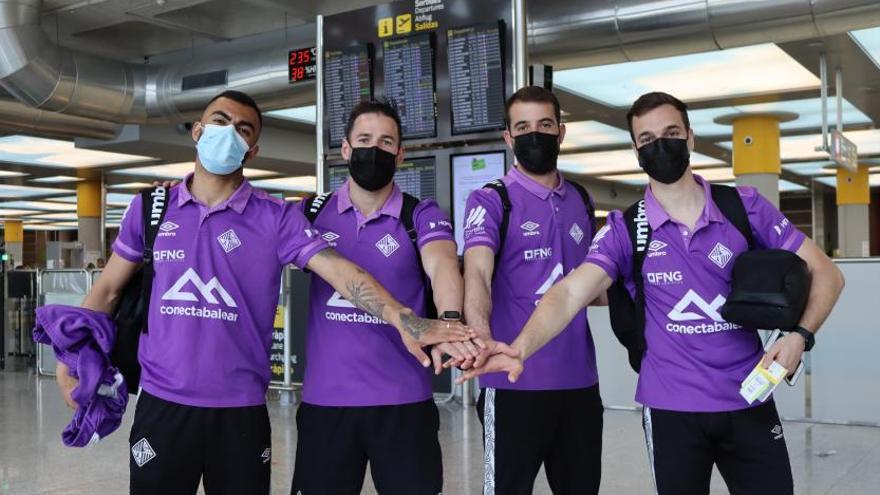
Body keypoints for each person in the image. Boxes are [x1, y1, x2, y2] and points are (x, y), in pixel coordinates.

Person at [53, 90, 473, 495]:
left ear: (251, 151)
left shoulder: (277, 218)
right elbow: (107, 289)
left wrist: (406, 319)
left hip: (241, 410)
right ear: (198, 131)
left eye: (244, 129)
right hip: (163, 403)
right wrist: (71, 355)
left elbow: (341, 272)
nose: (230, 133)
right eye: (221, 122)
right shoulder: (150, 209)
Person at [461, 92, 846, 495]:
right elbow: (570, 292)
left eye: (671, 133)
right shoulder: (624, 230)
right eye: (647, 139)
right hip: (670, 410)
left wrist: (800, 337)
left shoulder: (743, 206)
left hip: (749, 400)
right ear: (636, 150)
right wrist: (519, 347)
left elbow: (827, 274)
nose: (660, 146)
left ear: (691, 138)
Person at [291, 100, 480, 495]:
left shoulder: (420, 214)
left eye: (385, 141)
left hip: (402, 403)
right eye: (364, 140)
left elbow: (443, 263)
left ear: (400, 153)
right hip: (327, 404)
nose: (373, 150)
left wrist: (447, 321)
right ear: (345, 149)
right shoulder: (310, 212)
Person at [461, 86, 603, 495]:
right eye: (522, 127)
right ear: (508, 138)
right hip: (512, 383)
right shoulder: (491, 200)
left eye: (544, 125)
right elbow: (478, 275)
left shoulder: (580, 197)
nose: (534, 135)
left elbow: (589, 283)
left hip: (579, 384)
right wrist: (481, 335)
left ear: (561, 132)